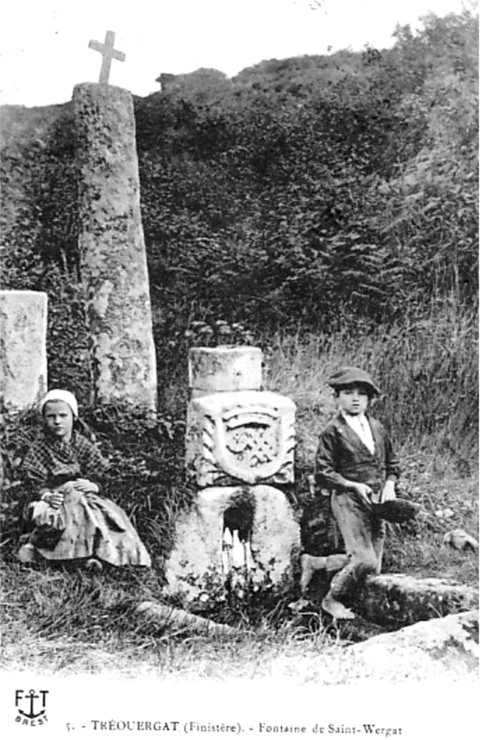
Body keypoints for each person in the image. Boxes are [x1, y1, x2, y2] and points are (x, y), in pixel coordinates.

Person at [17, 389, 151, 571]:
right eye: (51, 416)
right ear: (45, 419)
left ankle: (98, 556)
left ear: (74, 417)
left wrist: (94, 485)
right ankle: (58, 556)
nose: (57, 421)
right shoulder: (40, 447)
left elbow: (102, 474)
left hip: (83, 495)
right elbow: (32, 480)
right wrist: (46, 495)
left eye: (63, 415)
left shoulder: (82, 445)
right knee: (64, 514)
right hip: (56, 498)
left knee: (101, 515)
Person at [313, 367, 403, 620]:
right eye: (348, 392)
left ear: (369, 399)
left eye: (362, 394)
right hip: (347, 500)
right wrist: (352, 485)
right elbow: (323, 472)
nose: (355, 398)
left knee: (374, 567)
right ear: (337, 397)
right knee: (365, 561)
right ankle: (331, 599)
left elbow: (392, 465)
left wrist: (390, 485)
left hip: (377, 503)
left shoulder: (377, 428)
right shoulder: (333, 430)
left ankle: (316, 564)